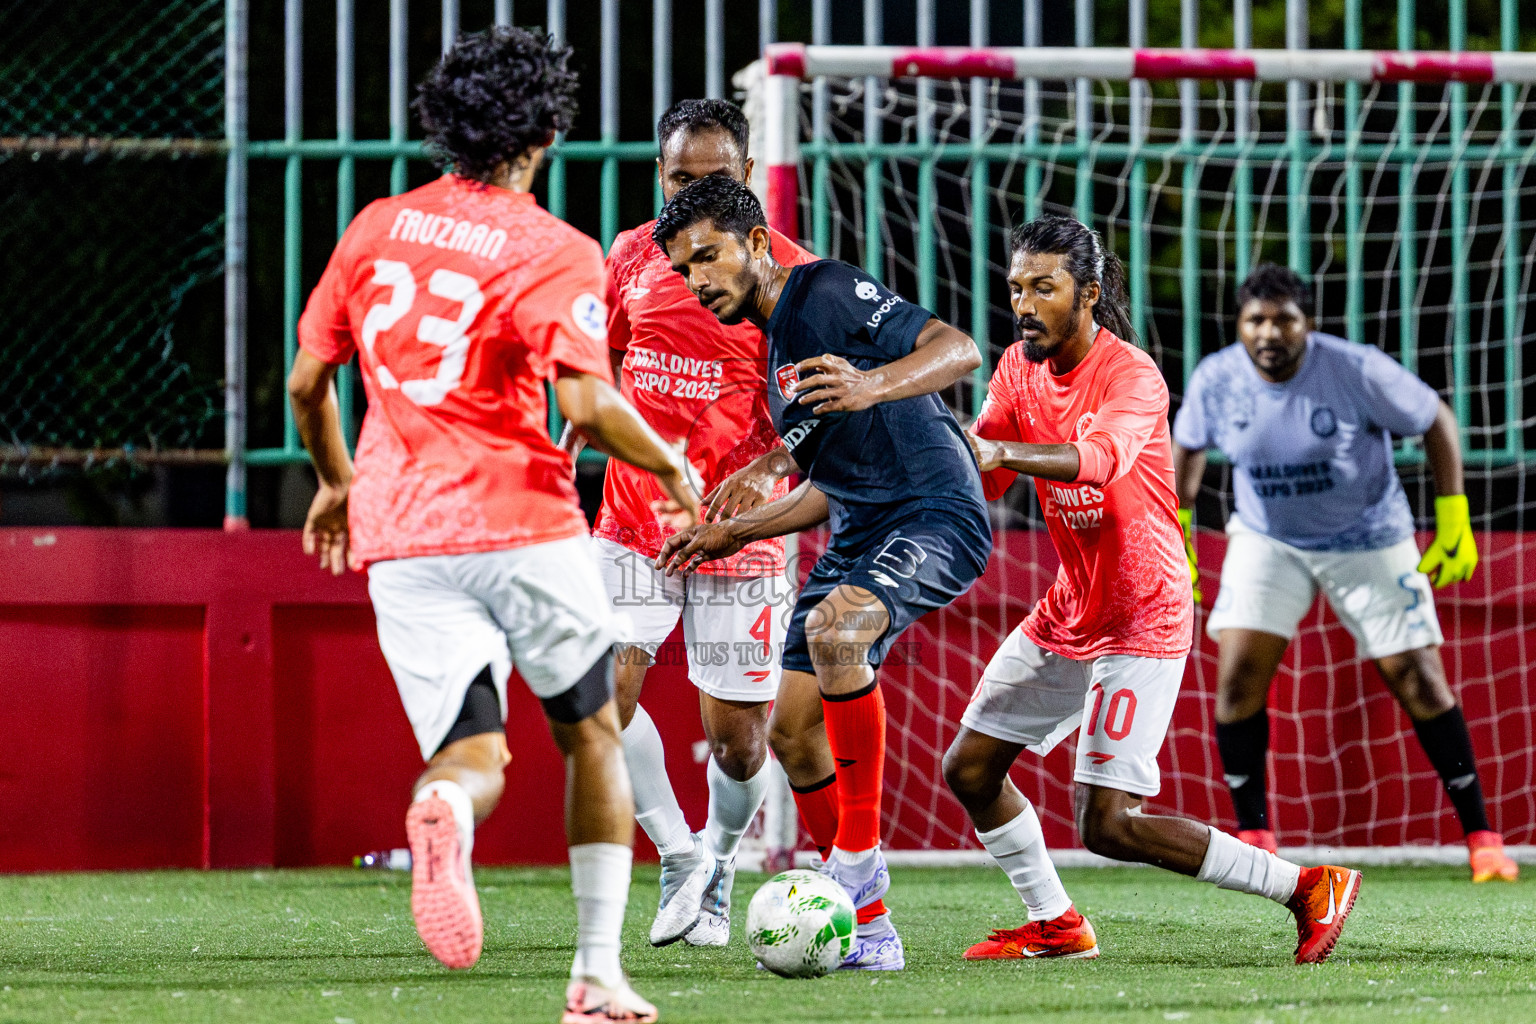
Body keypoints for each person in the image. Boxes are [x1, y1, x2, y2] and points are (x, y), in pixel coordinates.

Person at [288, 28, 698, 1023]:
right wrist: (673, 466)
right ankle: (597, 975)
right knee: (592, 731)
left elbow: (307, 382)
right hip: (520, 522)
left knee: (475, 750)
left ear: (445, 125)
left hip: (401, 534)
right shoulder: (554, 248)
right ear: (548, 130)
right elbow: (592, 408)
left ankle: (447, 812)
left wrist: (338, 481)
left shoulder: (377, 224)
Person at [945, 215, 1361, 966]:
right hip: (1070, 610)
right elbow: (990, 473)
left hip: (1144, 613)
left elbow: (1100, 461)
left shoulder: (1132, 373)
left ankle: (1308, 885)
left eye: (1045, 287)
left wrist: (999, 448)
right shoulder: (1014, 368)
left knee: (1106, 823)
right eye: (1016, 288)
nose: (1025, 303)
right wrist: (926, 459)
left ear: (1089, 293)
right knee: (969, 769)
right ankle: (1055, 922)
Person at [651, 174, 992, 971]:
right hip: (859, 529)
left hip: (933, 514)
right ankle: (868, 925)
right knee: (793, 733)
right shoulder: (777, 355)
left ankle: (855, 868)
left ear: (758, 244)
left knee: (838, 631)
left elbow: (960, 348)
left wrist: (872, 381)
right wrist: (729, 533)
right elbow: (826, 489)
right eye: (684, 270)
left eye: (709, 257)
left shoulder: (825, 290)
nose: (699, 280)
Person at [1172, 263, 1518, 883]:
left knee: (1418, 677)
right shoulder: (1216, 378)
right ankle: (1256, 836)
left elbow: (1436, 419)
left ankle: (1483, 839)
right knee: (1238, 678)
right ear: (1240, 326)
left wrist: (1453, 514)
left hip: (1369, 535)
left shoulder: (1354, 368)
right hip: (1268, 538)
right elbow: (1187, 454)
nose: (1269, 333)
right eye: (1256, 320)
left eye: (1285, 320)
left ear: (1309, 325)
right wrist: (1180, 534)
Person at [574, 98, 815, 949]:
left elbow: (819, 413)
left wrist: (772, 470)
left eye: (714, 179)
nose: (696, 192)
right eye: (681, 178)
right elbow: (600, 357)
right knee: (597, 698)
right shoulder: (630, 255)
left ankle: (719, 862)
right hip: (637, 521)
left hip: (741, 536)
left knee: (742, 745)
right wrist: (585, 416)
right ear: (659, 175)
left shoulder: (794, 275)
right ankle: (680, 857)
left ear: (747, 177)